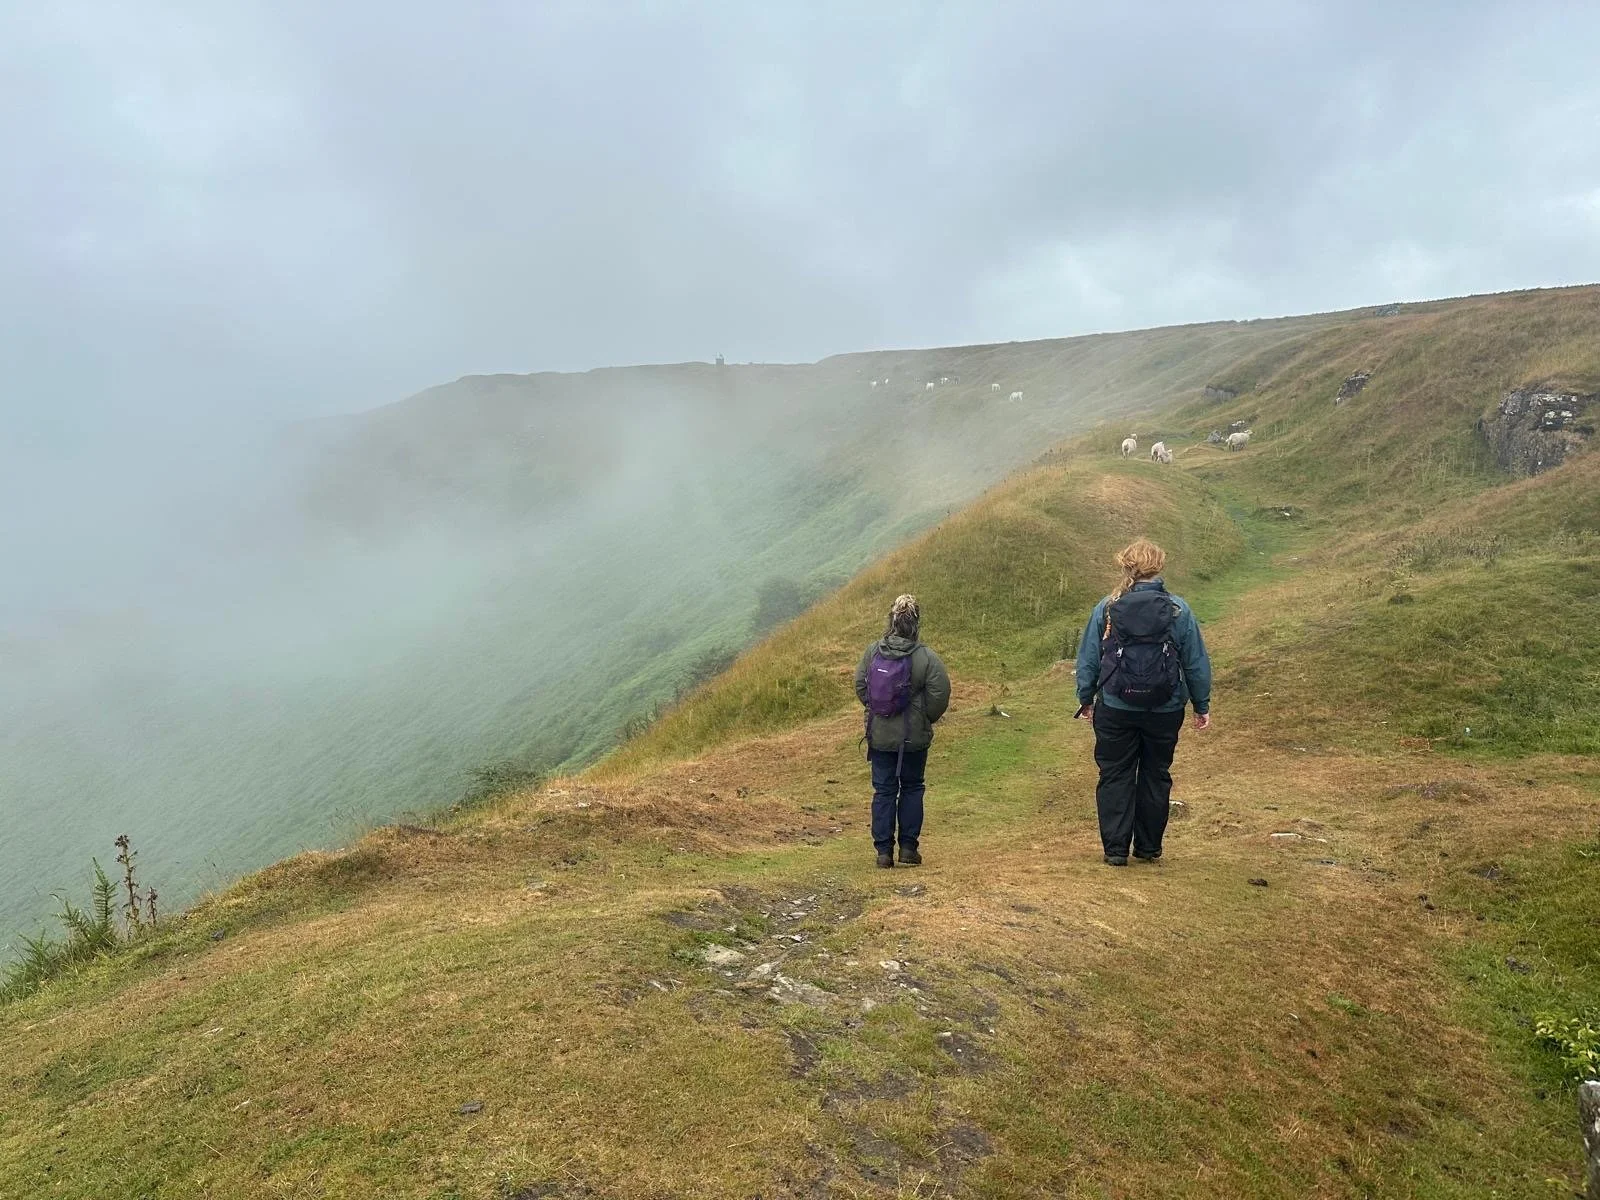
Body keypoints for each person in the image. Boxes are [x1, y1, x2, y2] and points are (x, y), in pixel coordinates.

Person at [1073, 539, 1212, 866]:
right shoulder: (1178, 610)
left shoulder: (1107, 607)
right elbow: (1194, 662)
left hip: (1115, 705)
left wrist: (1086, 697)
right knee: (1156, 773)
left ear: (1126, 566)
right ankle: (1148, 848)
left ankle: (1116, 851)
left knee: (1115, 773)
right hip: (1165, 708)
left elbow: (1090, 658)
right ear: (1158, 566)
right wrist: (1200, 704)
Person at [854, 595, 951, 868]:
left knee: (883, 791)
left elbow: (861, 687)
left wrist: (877, 711)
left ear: (892, 620)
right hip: (913, 738)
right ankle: (908, 848)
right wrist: (924, 719)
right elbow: (939, 695)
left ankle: (883, 852)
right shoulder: (927, 658)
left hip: (881, 736)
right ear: (916, 623)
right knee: (912, 788)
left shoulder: (873, 652)